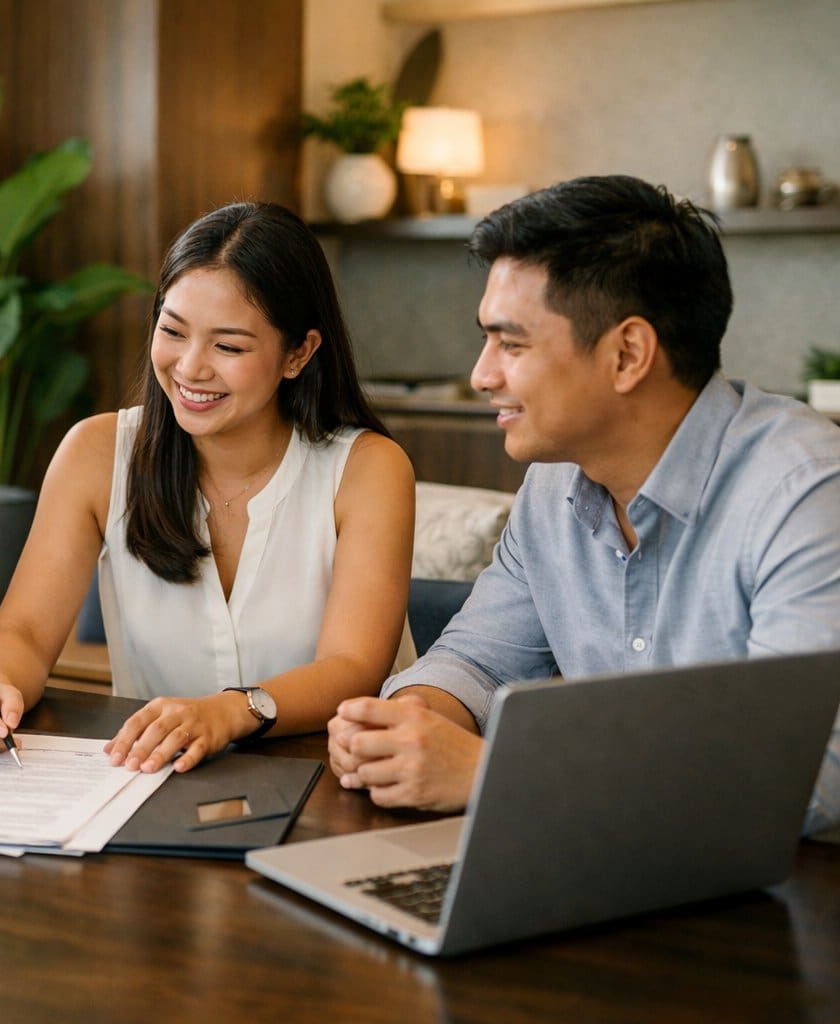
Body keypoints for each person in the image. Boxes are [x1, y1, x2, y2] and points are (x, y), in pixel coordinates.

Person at [328, 175, 840, 836]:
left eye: (511, 344)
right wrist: (409, 721)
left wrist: (491, 773)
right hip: (610, 866)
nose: (483, 374)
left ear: (628, 354)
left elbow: (806, 775)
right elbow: (478, 660)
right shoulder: (554, 484)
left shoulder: (805, 493)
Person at [0, 202, 416, 773]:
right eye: (172, 331)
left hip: (331, 779)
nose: (190, 368)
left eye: (229, 346)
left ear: (299, 353)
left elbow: (353, 665)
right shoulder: (96, 454)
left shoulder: (368, 469)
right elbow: (24, 633)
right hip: (152, 784)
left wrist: (230, 711)